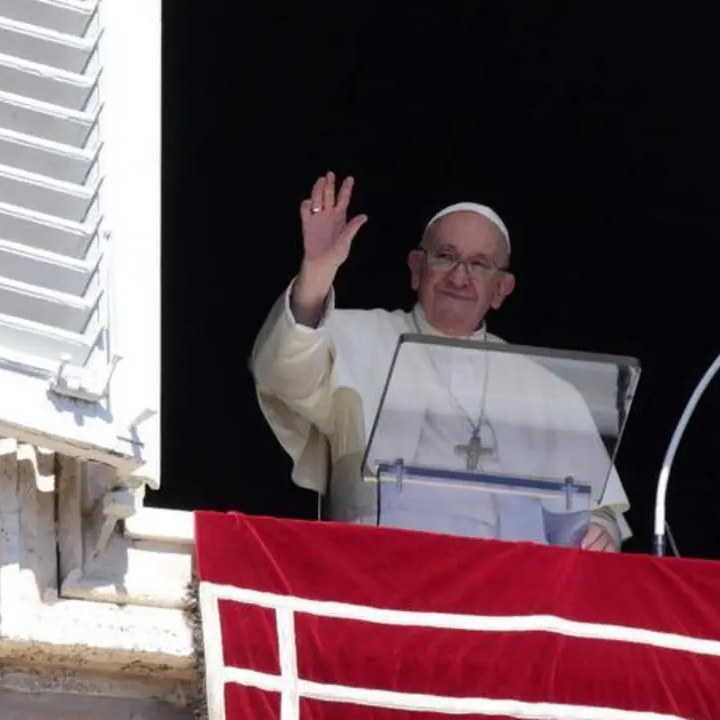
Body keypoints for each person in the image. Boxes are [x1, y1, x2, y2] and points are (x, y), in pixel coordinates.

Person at [250, 172, 631, 551]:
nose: (459, 277)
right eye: (446, 257)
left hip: (510, 582)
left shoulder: (546, 389)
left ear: (501, 290)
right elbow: (283, 372)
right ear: (416, 269)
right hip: (377, 570)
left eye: (480, 264)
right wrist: (316, 273)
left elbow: (594, 511)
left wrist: (600, 529)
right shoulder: (354, 337)